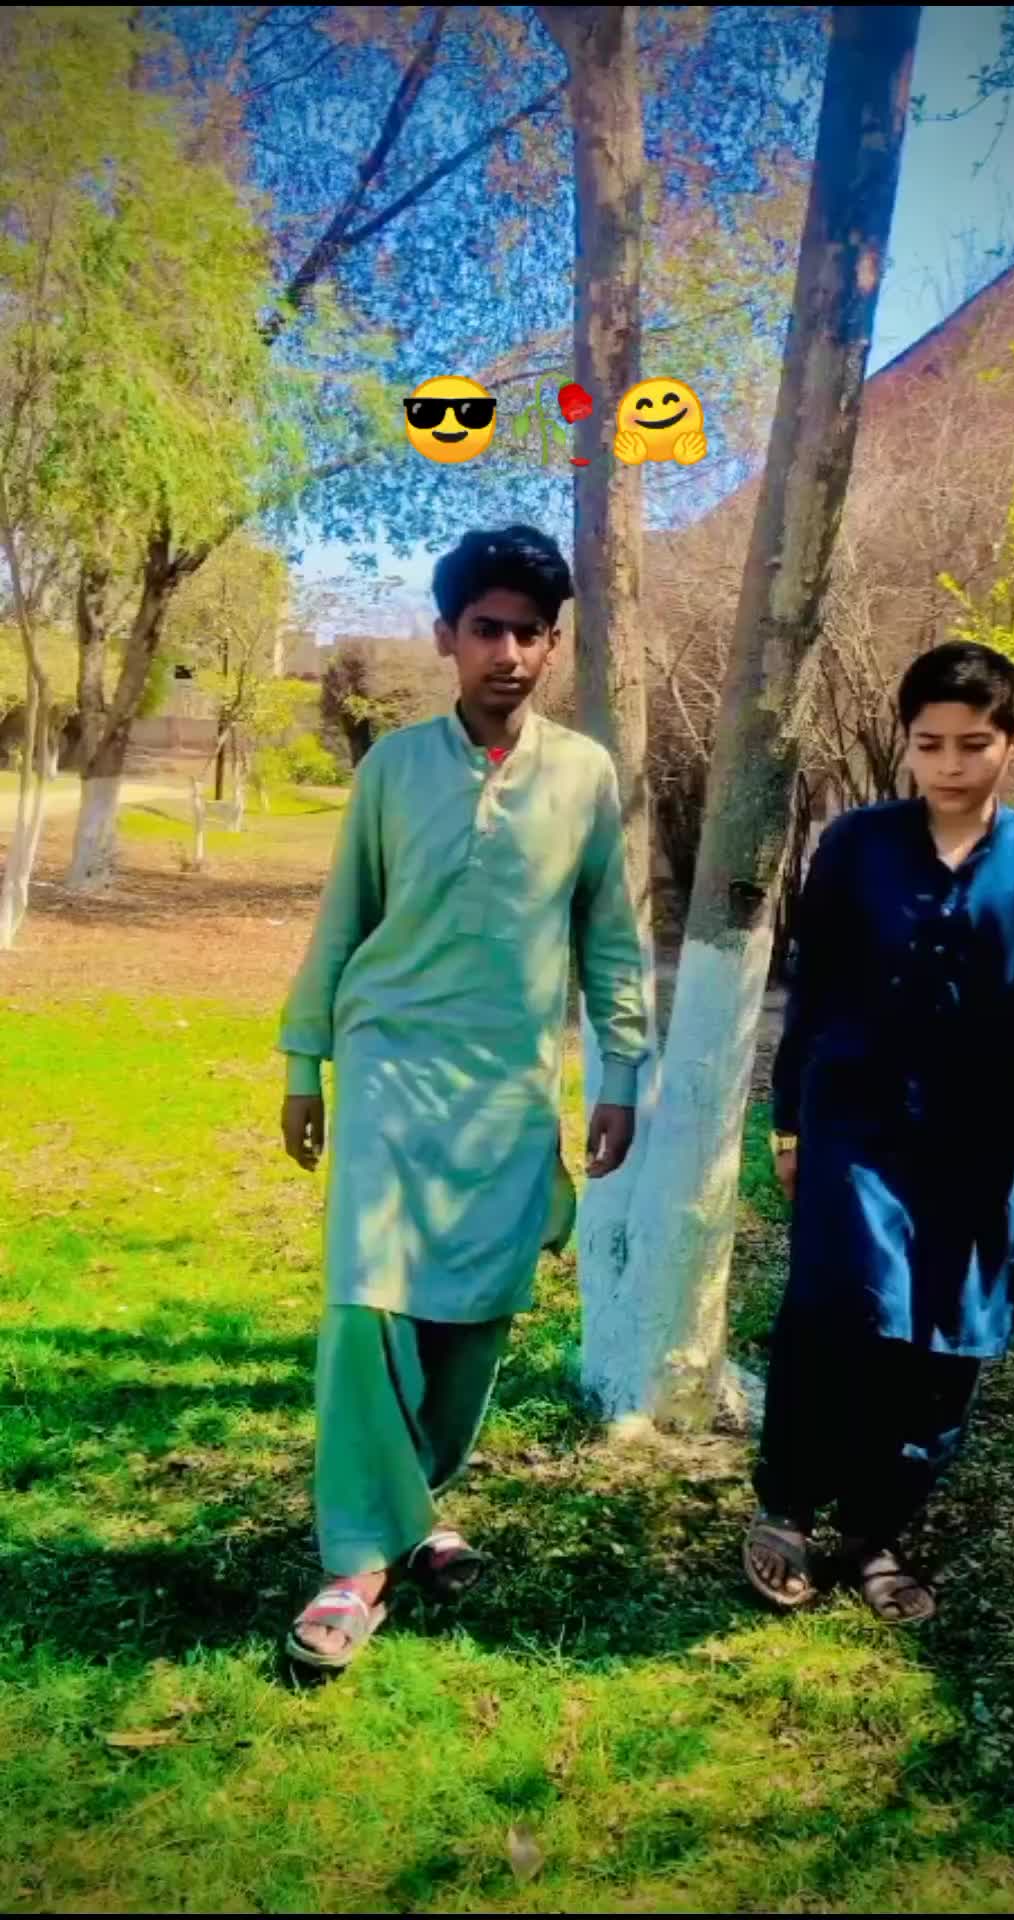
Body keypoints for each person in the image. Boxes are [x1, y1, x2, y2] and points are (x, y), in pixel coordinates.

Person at [278, 524, 648, 1670]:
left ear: (553, 645)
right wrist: (302, 1059)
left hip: (507, 1089)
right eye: (487, 629)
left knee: (472, 1318)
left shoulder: (584, 777)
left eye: (531, 633)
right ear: (446, 636)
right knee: (365, 1306)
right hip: (388, 1063)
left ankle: (414, 1509)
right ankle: (357, 1561)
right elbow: (345, 917)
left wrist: (621, 1073)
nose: (510, 653)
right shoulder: (393, 768)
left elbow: (611, 937)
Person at [744, 640, 1014, 1624]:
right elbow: (811, 992)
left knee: (948, 1336)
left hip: (978, 1145)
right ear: (907, 743)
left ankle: (876, 1530)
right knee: (837, 1311)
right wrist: (790, 1124)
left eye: (973, 744)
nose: (949, 765)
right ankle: (787, 1506)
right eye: (928, 744)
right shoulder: (858, 845)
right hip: (857, 1125)